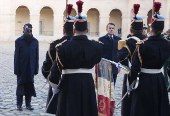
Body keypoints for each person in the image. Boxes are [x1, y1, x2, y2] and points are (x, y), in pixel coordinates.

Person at [49, 1, 103, 116]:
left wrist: (55, 85)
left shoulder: (63, 47)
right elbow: (97, 60)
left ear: (74, 30)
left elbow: (55, 70)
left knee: (69, 110)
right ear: (87, 30)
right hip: (88, 82)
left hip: (69, 83)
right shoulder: (97, 47)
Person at [129, 2, 170, 116]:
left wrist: (130, 81)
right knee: (158, 108)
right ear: (162, 29)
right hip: (159, 79)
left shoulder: (143, 44)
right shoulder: (167, 44)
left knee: (142, 109)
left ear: (151, 28)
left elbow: (135, 68)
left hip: (144, 80)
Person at [41, 4, 74, 114]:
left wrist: (50, 79)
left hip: (58, 80)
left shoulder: (55, 44)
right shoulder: (81, 44)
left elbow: (47, 67)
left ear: (64, 30)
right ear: (74, 30)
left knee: (59, 109)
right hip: (76, 81)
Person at [117, 4, 146, 116]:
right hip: (145, 75)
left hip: (130, 74)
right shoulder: (147, 40)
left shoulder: (128, 41)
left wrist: (127, 66)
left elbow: (122, 56)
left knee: (129, 103)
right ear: (142, 29)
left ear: (130, 29)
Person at [14, 23, 39, 111]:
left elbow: (36, 56)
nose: (29, 32)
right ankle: (19, 104)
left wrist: (36, 69)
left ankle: (28, 104)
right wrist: (16, 69)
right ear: (23, 30)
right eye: (27, 30)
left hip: (31, 68)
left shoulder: (35, 42)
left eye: (30, 30)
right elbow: (16, 56)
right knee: (20, 86)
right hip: (21, 68)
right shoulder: (18, 41)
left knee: (29, 86)